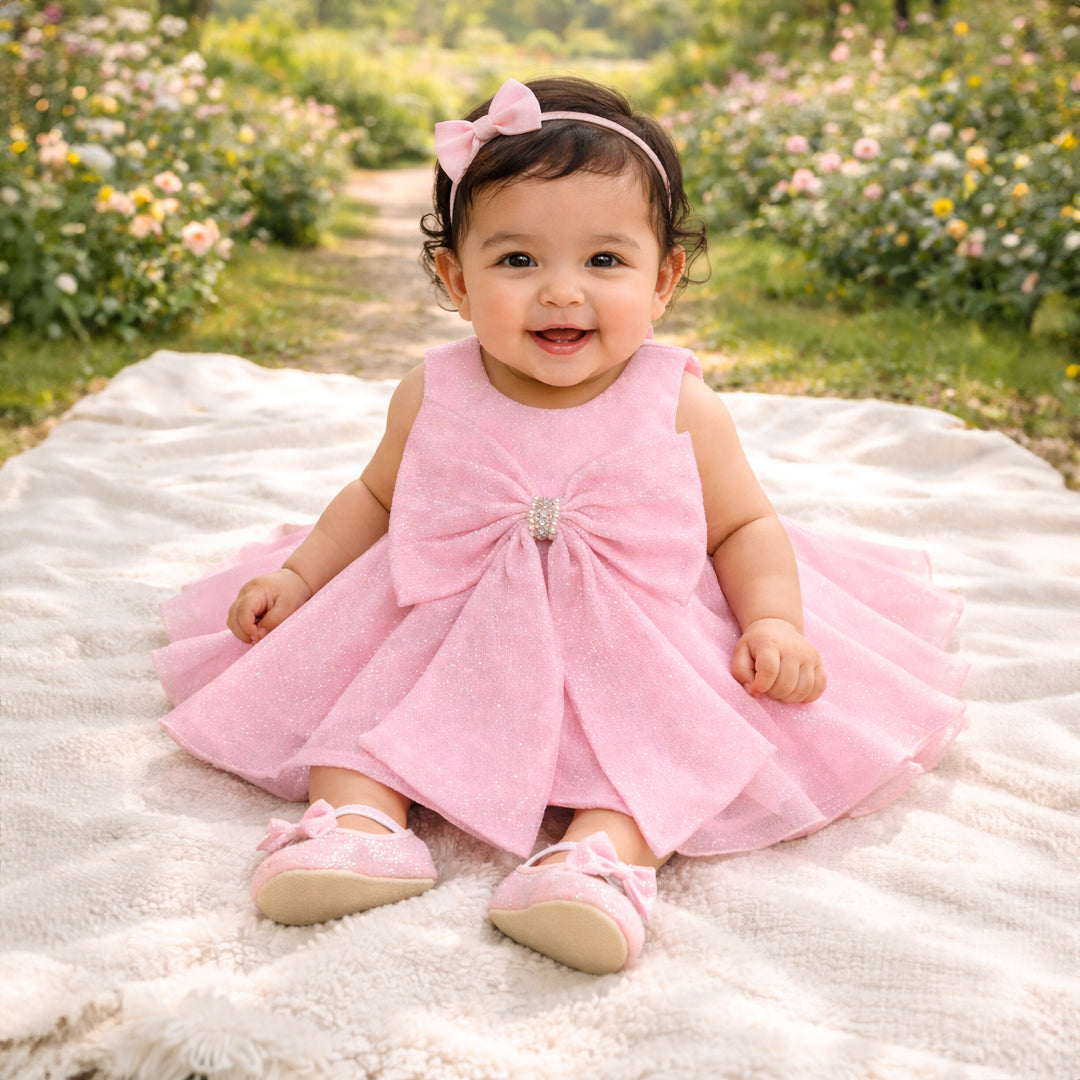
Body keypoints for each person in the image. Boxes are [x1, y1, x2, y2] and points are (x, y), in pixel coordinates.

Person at [154, 76, 967, 975]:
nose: (560, 293)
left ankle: (600, 863)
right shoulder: (434, 389)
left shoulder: (680, 405)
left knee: (662, 730)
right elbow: (377, 499)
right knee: (363, 704)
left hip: (629, 625)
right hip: (448, 615)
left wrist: (774, 620)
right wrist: (301, 578)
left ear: (664, 281)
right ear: (456, 280)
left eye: (603, 262)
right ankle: (357, 825)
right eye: (518, 262)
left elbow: (742, 527)